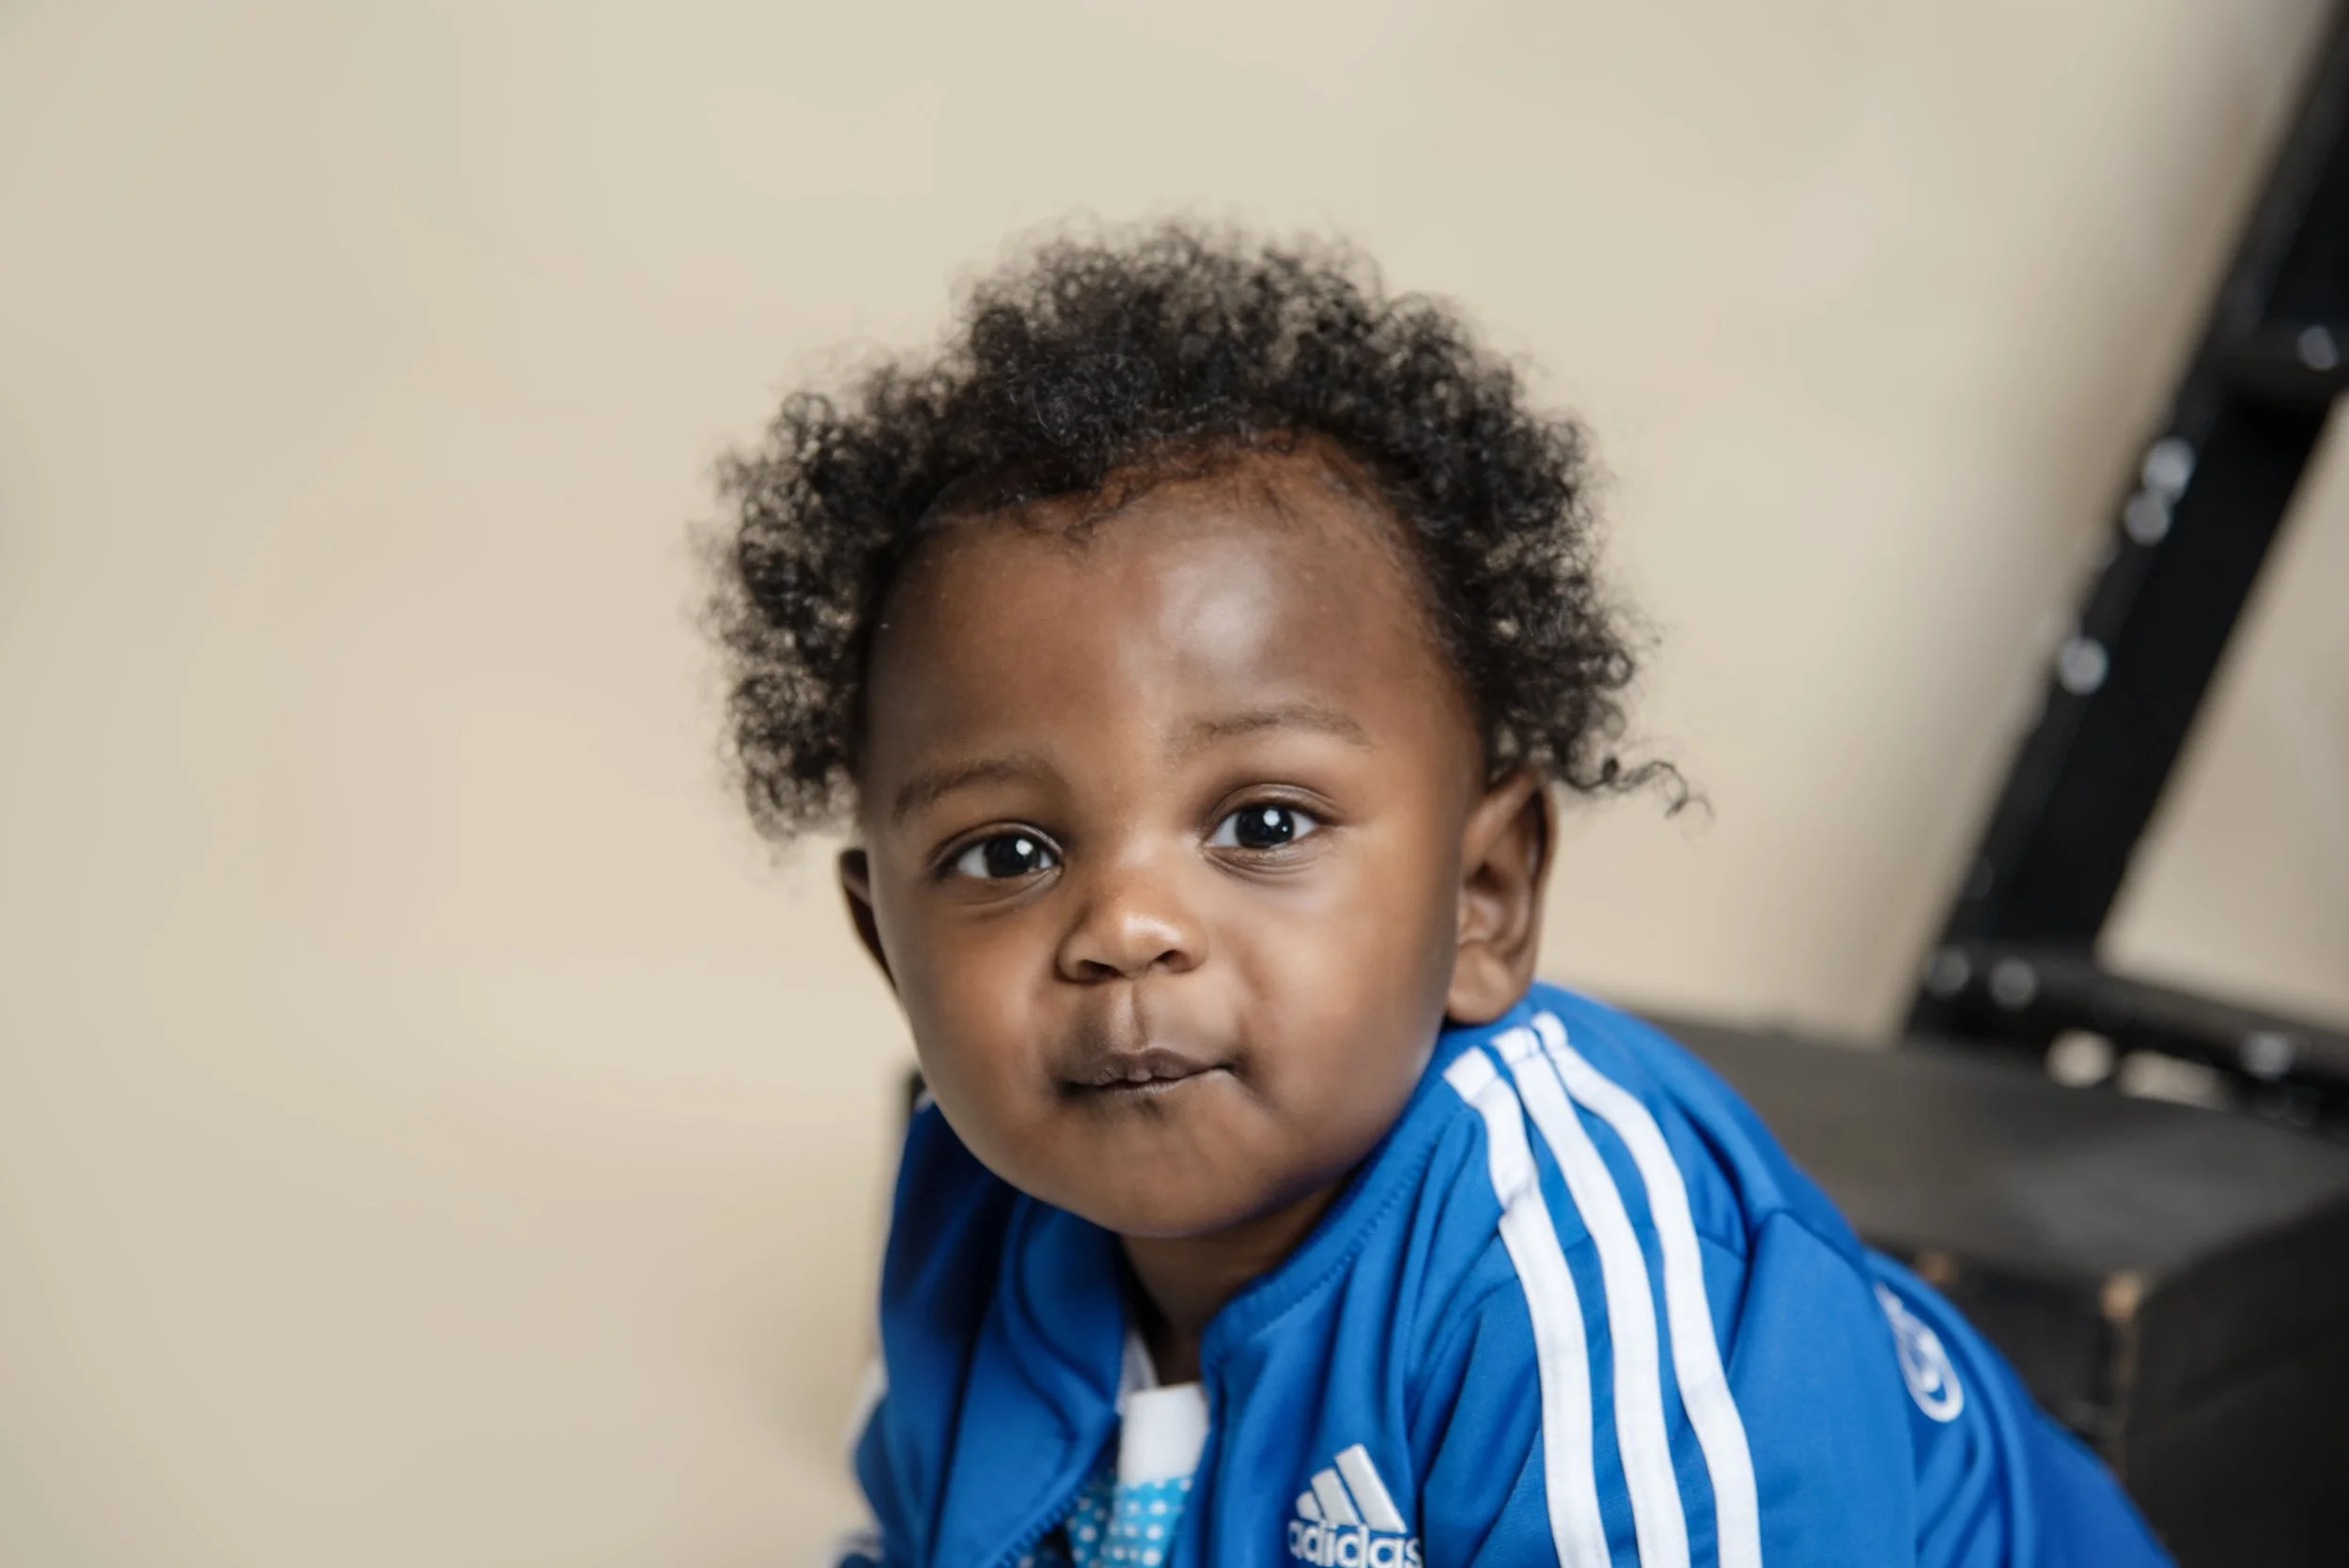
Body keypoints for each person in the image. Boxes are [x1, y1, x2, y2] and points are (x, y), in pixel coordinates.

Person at [704, 225, 2170, 1567]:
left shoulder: (1559, 1254)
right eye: (1006, 856)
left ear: (1483, 898)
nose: (1123, 929)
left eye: (1262, 821)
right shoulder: (974, 1206)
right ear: (887, 947)